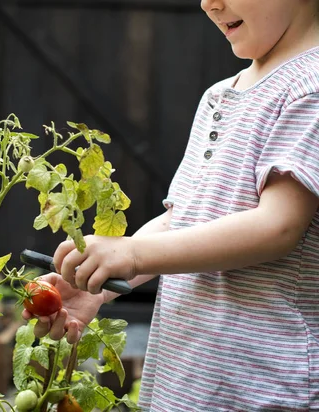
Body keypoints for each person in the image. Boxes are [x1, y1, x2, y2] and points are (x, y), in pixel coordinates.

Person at [23, 0, 319, 410]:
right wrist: (100, 287)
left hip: (260, 384)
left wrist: (133, 252)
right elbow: (183, 218)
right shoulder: (220, 96)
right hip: (188, 380)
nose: (209, 3)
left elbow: (279, 226)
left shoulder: (310, 87)